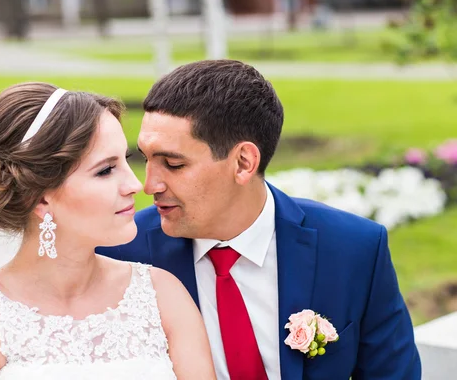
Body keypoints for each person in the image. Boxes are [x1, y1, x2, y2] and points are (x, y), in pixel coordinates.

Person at [98, 60, 422, 379]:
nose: (149, 185)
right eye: (146, 159)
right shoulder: (120, 253)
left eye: (172, 163)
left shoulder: (354, 249)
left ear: (243, 163)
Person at [0, 83, 216, 379]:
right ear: (41, 196)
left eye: (127, 160)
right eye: (105, 170)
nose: (135, 184)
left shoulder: (161, 295)